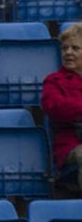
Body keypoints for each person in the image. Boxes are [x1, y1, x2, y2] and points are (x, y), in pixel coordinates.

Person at [40, 23, 82, 196]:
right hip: (71, 144)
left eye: (75, 48)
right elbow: (57, 109)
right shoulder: (54, 81)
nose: (68, 53)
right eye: (65, 48)